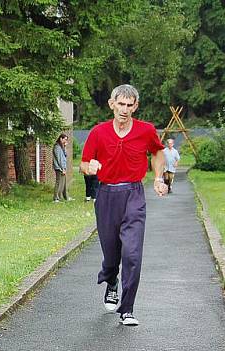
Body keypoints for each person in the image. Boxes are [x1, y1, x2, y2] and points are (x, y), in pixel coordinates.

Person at [80, 84, 167, 327]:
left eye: (130, 105)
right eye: (121, 104)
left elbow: (158, 153)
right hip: (107, 196)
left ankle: (127, 309)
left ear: (135, 106)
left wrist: (159, 178)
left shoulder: (146, 130)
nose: (124, 109)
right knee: (111, 255)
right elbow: (83, 164)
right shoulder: (98, 132)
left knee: (132, 253)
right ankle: (110, 281)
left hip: (133, 194)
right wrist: (90, 168)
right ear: (112, 104)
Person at [53, 134, 71, 202]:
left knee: (64, 183)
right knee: (59, 182)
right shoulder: (57, 147)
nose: (65, 141)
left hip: (63, 167)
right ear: (61, 138)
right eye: (65, 139)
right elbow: (59, 159)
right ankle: (56, 198)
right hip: (59, 168)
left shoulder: (61, 146)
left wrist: (65, 146)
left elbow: (65, 155)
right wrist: (63, 168)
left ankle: (66, 197)